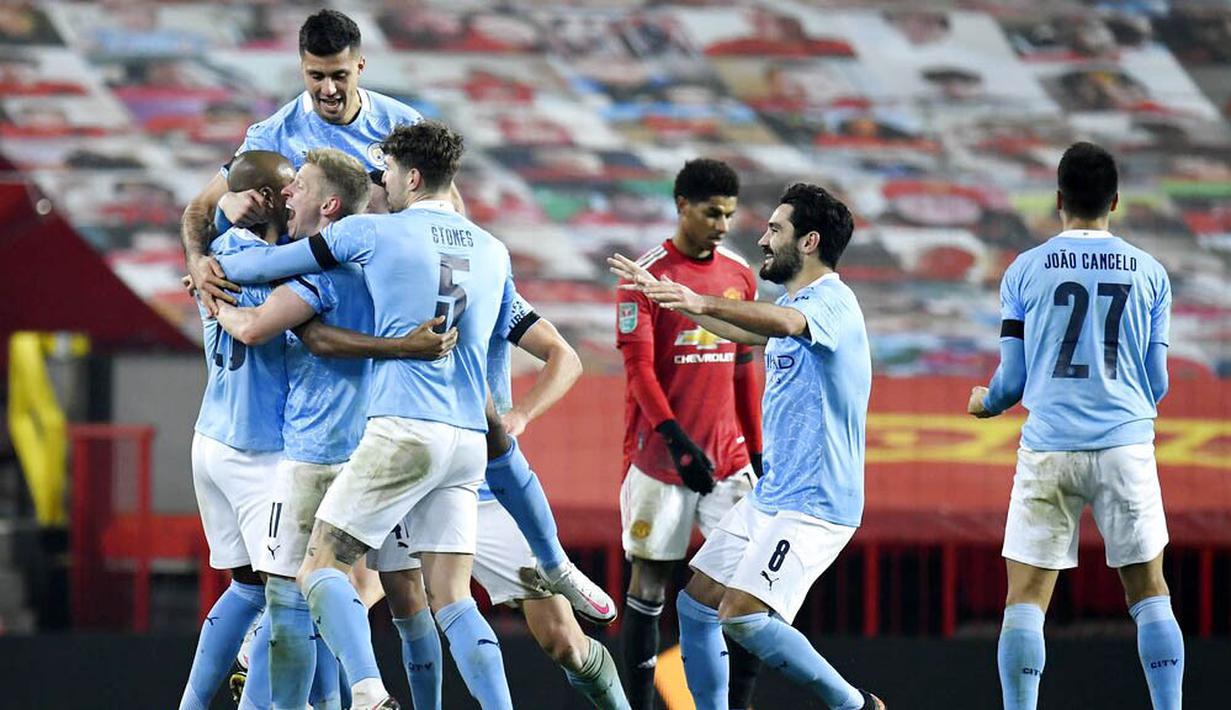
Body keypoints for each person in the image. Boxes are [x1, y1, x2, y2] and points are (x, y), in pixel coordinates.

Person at [182, 5, 614, 632]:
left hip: (394, 308)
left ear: (360, 64)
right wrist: (200, 262)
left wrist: (480, 338)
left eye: (338, 75)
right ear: (301, 70)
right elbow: (204, 209)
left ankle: (551, 569)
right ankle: (333, 675)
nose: (328, 90)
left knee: (405, 570)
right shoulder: (272, 134)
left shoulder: (400, 127)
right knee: (396, 581)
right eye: (314, 76)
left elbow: (452, 220)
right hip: (331, 324)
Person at [213, 121, 514, 710]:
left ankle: (369, 693)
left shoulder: (373, 232)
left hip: (404, 428)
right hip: (468, 439)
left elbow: (257, 272)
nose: (386, 184)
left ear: (413, 176)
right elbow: (500, 345)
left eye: (391, 174)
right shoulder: (493, 249)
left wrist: (217, 239)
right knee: (449, 596)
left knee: (319, 566)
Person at [609, 183, 885, 710]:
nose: (762, 238)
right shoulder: (793, 303)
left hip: (816, 506)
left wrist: (699, 298)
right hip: (772, 497)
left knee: (743, 616)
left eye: (774, 228)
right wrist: (675, 301)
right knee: (695, 607)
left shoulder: (832, 301)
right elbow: (741, 330)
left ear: (808, 242)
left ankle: (855, 705)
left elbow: (784, 324)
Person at [966, 142, 1182, 710]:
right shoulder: (1151, 273)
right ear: (1116, 201)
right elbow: (1157, 382)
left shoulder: (1024, 270)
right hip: (1125, 447)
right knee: (1150, 594)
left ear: (1057, 200)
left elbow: (1010, 386)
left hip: (1049, 449)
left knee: (1026, 601)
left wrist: (985, 404)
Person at [614, 158, 762, 710]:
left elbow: (745, 368)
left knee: (748, 592)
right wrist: (676, 439)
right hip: (660, 462)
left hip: (727, 462)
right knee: (648, 589)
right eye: (711, 213)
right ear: (681, 206)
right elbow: (640, 372)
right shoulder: (647, 276)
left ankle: (738, 704)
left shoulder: (740, 274)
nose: (722, 225)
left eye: (728, 214)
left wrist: (759, 450)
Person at [180, 151, 296, 710]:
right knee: (289, 598)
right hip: (259, 454)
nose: (301, 197)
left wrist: (221, 218)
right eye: (292, 188)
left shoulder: (213, 257)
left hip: (212, 439)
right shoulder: (277, 265)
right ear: (270, 199)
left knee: (249, 587)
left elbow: (210, 229)